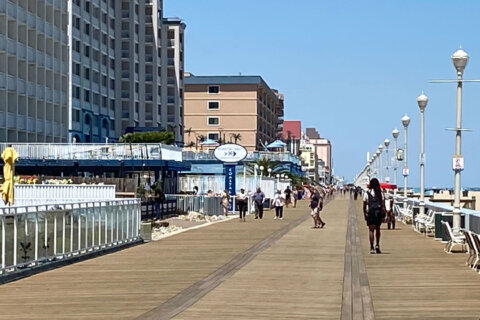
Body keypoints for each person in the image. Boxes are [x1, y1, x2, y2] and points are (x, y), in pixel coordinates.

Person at [363, 178, 386, 254]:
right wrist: (383, 215)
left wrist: (365, 215)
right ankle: (377, 245)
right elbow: (383, 205)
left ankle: (372, 247)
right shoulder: (380, 193)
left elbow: (364, 205)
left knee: (371, 230)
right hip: (378, 213)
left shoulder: (367, 193)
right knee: (378, 229)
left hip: (371, 213)